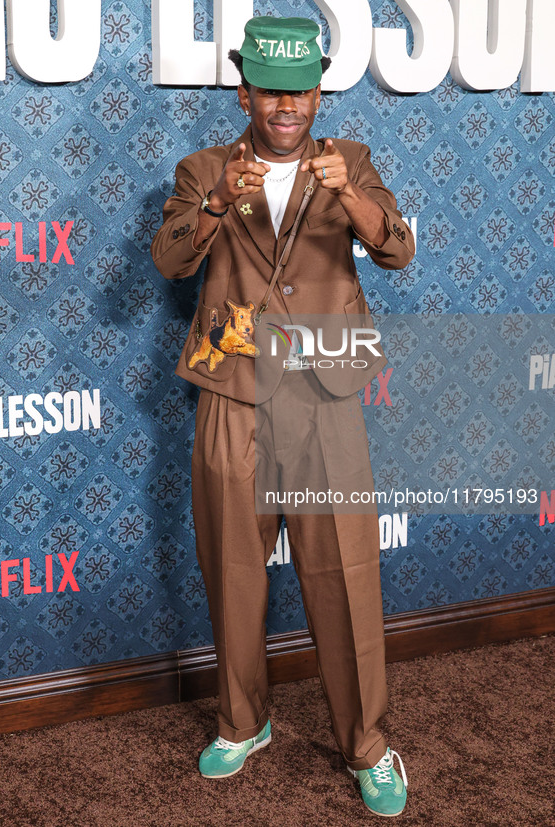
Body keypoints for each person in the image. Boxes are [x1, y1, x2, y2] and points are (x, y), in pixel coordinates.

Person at [151, 15, 415, 818]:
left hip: (324, 395)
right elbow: (169, 259)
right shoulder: (204, 168)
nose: (286, 104)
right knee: (233, 570)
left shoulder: (353, 163)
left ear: (316, 93)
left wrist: (349, 198)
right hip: (233, 390)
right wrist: (215, 209)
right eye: (270, 90)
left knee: (345, 576)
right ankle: (243, 719)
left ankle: (367, 744)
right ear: (245, 94)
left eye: (299, 90)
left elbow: (397, 248)